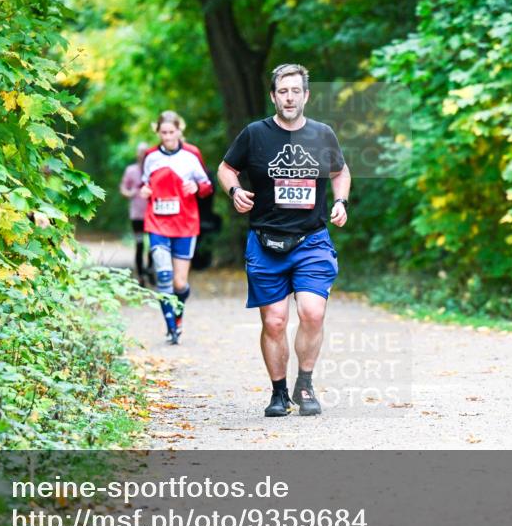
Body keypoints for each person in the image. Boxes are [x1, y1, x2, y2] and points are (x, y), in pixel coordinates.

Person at [217, 64, 351, 418]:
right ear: (273, 96)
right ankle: (279, 393)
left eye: (295, 91)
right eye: (282, 91)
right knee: (274, 321)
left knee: (312, 312)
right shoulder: (254, 134)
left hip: (312, 240)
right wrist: (234, 191)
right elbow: (226, 168)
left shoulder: (322, 134)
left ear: (306, 95)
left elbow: (340, 171)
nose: (289, 98)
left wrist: (341, 201)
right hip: (266, 242)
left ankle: (304, 384)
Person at [140, 111, 213, 344]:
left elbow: (207, 186)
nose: (168, 137)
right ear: (158, 132)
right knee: (163, 275)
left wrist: (197, 188)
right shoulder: (151, 156)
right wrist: (144, 191)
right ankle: (171, 328)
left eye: (172, 132)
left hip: (185, 223)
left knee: (179, 283)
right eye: (163, 132)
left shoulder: (192, 154)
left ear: (180, 130)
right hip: (157, 222)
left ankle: (178, 318)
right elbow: (144, 183)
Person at [119, 141, 151, 286]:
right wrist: (129, 193)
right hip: (137, 214)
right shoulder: (130, 170)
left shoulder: (153, 169)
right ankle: (141, 275)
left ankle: (150, 270)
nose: (142, 155)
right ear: (137, 154)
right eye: (140, 152)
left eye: (145, 152)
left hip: (152, 215)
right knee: (139, 245)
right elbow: (123, 188)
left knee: (154, 246)